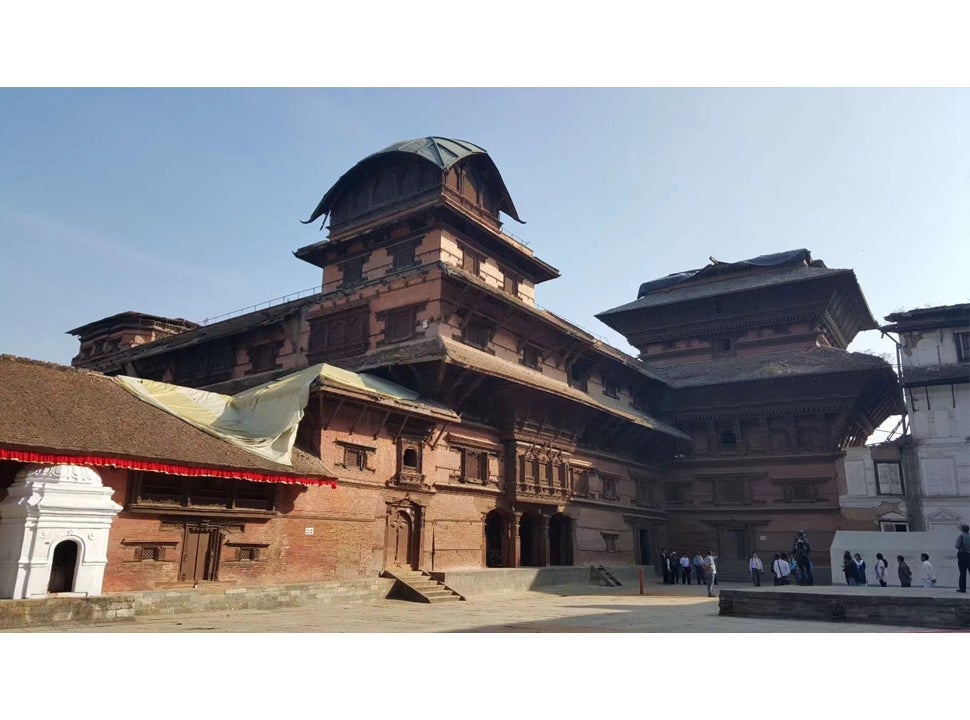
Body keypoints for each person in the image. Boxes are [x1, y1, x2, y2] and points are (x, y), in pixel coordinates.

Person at [955, 523, 970, 593]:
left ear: (962, 529)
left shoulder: (960, 537)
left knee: (962, 573)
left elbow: (957, 546)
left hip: (962, 556)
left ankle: (962, 589)